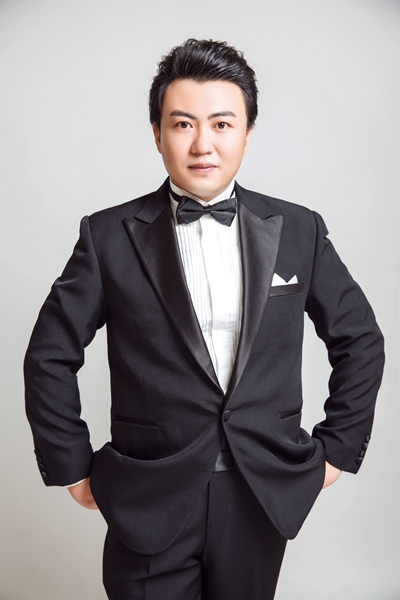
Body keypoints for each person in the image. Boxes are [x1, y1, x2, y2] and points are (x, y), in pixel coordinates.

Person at [24, 39, 385, 600]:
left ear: (247, 133)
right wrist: (70, 465)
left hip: (261, 489)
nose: (202, 144)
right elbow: (49, 354)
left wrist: (338, 447)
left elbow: (360, 339)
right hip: (149, 493)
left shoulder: (300, 229)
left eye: (221, 124)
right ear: (157, 133)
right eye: (182, 124)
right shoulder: (107, 235)